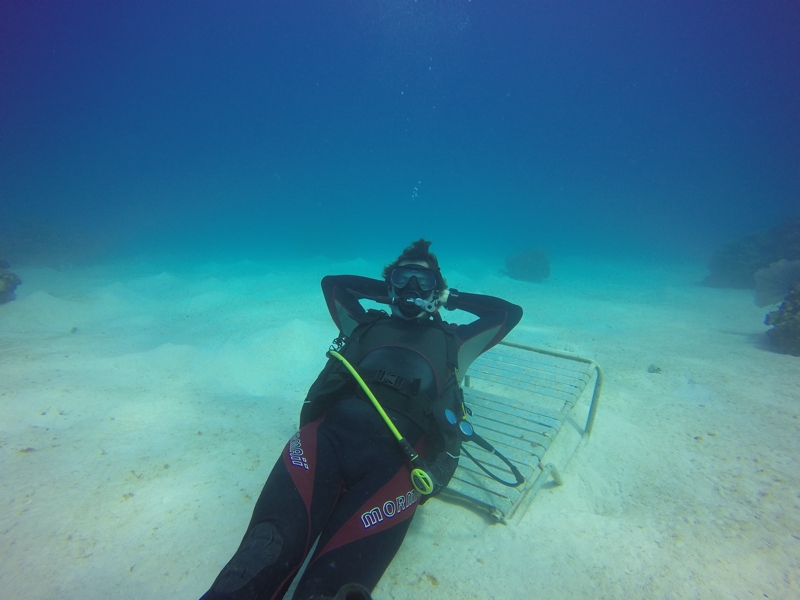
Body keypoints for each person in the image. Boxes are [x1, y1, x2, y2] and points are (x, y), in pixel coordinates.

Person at [201, 239, 522, 600]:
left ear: (437, 289)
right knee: (261, 554)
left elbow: (508, 313)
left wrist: (449, 297)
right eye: (402, 278)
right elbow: (333, 285)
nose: (412, 287)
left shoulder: (456, 341)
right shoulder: (363, 324)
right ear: (389, 284)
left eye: (424, 281)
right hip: (323, 441)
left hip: (396, 466)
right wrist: (390, 293)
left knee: (333, 588)